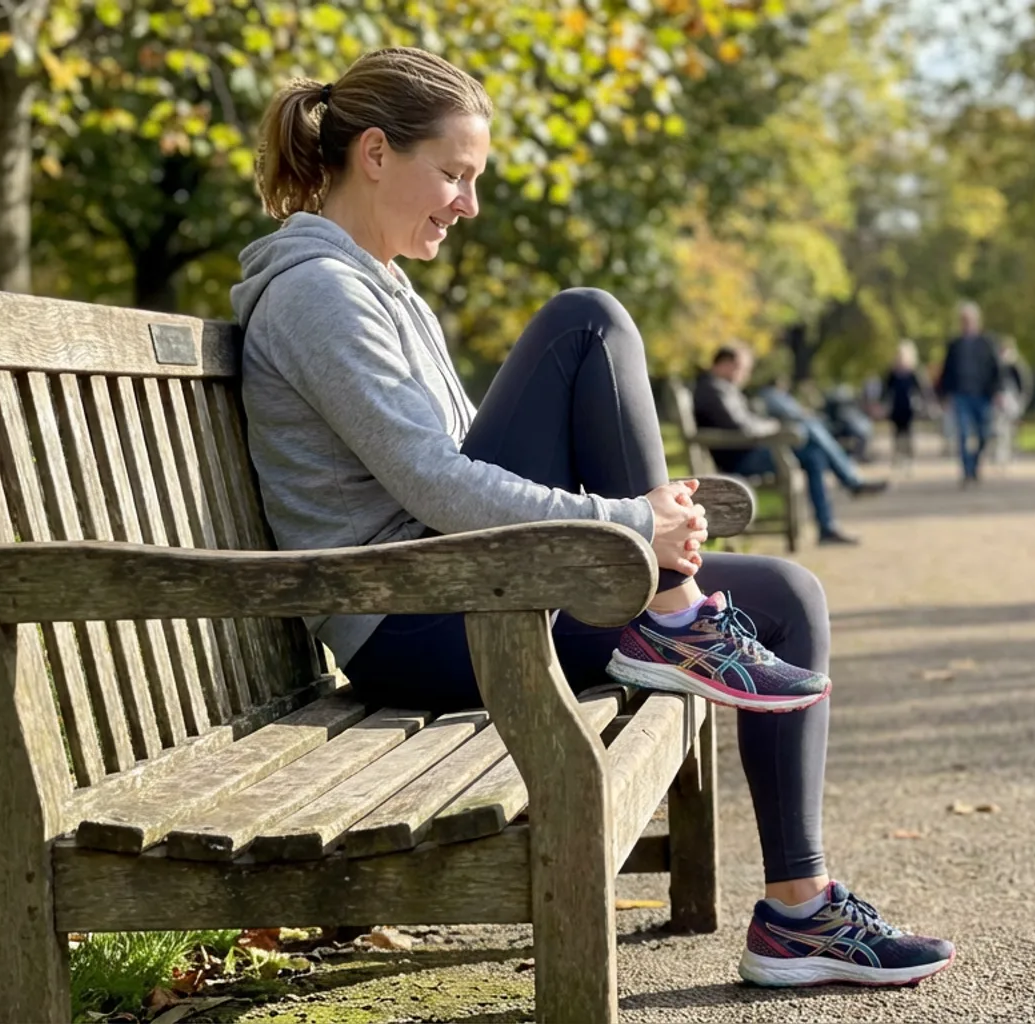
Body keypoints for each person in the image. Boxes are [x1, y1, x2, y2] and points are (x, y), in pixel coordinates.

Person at [233, 48, 952, 987]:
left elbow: (451, 476)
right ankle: (672, 609)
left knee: (787, 596)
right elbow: (438, 486)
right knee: (585, 320)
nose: (467, 203)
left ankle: (798, 913)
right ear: (374, 153)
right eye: (453, 174)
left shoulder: (377, 284)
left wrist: (628, 526)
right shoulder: (318, 293)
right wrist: (626, 524)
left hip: (462, 589)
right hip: (407, 620)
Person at [694, 346, 886, 546]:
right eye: (741, 368)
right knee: (808, 428)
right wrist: (775, 427)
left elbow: (747, 422)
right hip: (740, 458)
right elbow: (743, 426)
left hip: (748, 451)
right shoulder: (713, 389)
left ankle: (827, 527)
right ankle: (850, 482)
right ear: (725, 364)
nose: (745, 375)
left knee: (814, 455)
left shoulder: (721, 388)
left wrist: (771, 426)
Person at [936, 302, 1001, 485]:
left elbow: (996, 369)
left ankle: (974, 463)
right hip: (961, 395)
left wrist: (996, 392)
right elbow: (946, 371)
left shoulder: (987, 343)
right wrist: (944, 395)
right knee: (963, 434)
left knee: (984, 434)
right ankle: (966, 471)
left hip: (982, 395)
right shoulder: (954, 345)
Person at [881, 340, 928, 469]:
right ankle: (898, 456)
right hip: (896, 406)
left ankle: (908, 457)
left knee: (908, 433)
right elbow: (885, 390)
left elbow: (921, 389)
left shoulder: (912, 373)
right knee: (896, 434)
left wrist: (923, 403)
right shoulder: (893, 373)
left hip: (909, 407)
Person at [991, 336, 1030, 467]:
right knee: (999, 429)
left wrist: (1021, 401)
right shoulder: (996, 365)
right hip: (999, 401)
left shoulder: (1016, 366)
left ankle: (1008, 453)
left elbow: (1023, 386)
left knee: (1010, 429)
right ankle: (1000, 455)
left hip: (1012, 401)